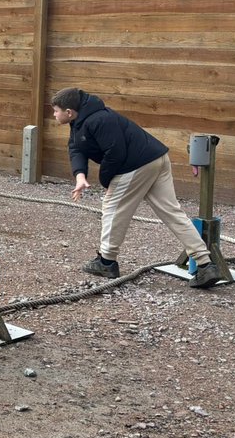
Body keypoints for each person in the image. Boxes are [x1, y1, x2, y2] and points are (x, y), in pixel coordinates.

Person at [50, 87, 219, 288]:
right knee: (172, 213)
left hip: (136, 164)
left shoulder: (99, 120)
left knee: (112, 209)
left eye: (56, 111)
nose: (54, 115)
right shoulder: (81, 121)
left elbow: (115, 153)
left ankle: (106, 262)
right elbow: (76, 148)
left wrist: (106, 181)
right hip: (156, 158)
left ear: (69, 112)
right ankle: (205, 264)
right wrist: (80, 176)